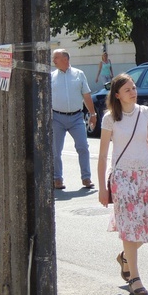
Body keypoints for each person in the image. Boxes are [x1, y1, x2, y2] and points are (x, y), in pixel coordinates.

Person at [97, 74, 148, 295]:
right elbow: (102, 156)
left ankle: (125, 257)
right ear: (117, 95)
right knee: (130, 227)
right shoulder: (110, 119)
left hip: (145, 176)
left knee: (147, 224)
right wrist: (102, 187)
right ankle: (135, 279)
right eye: (127, 89)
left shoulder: (145, 112)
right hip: (123, 178)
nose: (133, 91)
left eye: (134, 87)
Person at [51, 49, 97, 190]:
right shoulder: (51, 76)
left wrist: (93, 114)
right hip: (57, 117)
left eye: (56, 58)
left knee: (83, 147)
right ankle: (57, 178)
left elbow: (87, 96)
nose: (53, 61)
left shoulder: (79, 74)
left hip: (76, 117)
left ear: (65, 59)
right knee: (55, 150)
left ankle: (86, 178)